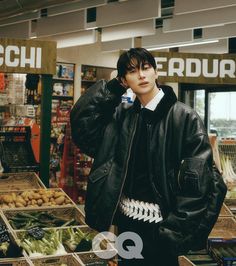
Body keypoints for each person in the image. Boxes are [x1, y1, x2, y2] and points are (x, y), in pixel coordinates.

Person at [70, 48, 227, 266]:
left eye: (146, 68)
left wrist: (174, 232)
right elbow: (82, 124)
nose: (141, 75)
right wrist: (114, 88)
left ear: (155, 72)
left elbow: (198, 185)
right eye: (132, 71)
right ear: (125, 79)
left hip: (161, 230)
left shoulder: (183, 117)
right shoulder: (122, 117)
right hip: (127, 224)